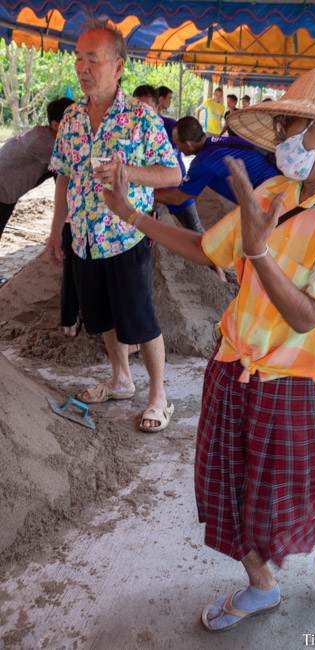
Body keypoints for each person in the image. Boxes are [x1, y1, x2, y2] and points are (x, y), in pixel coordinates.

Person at [102, 60, 315, 631]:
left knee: (296, 483)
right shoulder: (273, 190)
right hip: (231, 364)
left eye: (298, 126)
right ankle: (262, 586)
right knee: (228, 489)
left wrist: (261, 253)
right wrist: (131, 214)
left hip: (296, 381)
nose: (289, 138)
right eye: (287, 125)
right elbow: (207, 248)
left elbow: (305, 315)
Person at [47, 21, 181, 433]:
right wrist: (57, 231)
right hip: (85, 238)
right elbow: (65, 177)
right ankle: (121, 379)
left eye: (93, 59)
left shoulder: (141, 118)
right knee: (101, 319)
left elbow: (172, 175)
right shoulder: (71, 118)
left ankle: (159, 395)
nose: (82, 67)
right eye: (78, 58)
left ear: (118, 66)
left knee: (139, 320)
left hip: (125, 237)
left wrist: (129, 172)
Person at [154, 116, 279, 209]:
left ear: (188, 144)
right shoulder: (220, 141)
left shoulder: (203, 162)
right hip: (277, 184)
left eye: (176, 143)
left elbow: (177, 198)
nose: (175, 147)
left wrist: (147, 193)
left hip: (272, 198)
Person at [0, 97, 74, 241]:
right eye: (74, 122)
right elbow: (75, 166)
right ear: (55, 125)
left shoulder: (48, 137)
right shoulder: (45, 143)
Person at [133, 85, 205, 234]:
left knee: (196, 229)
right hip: (147, 190)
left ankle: (208, 255)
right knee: (146, 232)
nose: (141, 112)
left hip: (174, 188)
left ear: (156, 105)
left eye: (147, 107)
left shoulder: (170, 126)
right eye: (137, 106)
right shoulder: (129, 130)